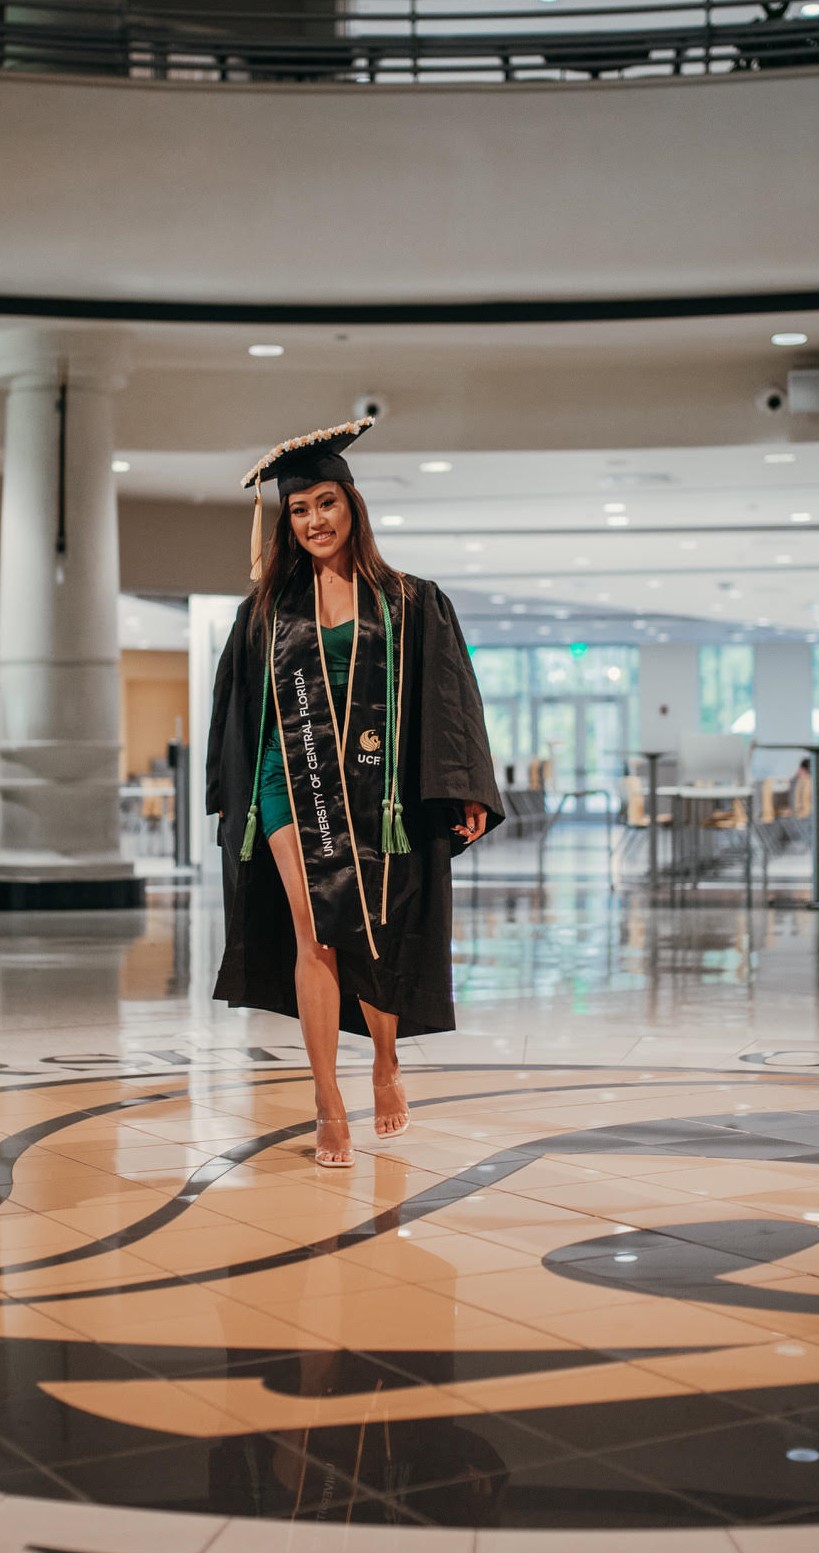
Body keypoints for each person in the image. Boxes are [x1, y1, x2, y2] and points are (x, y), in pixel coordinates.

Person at [206, 416, 502, 1169]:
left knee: (373, 928)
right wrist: (232, 798)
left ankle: (384, 1061)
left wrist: (462, 784)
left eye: (325, 504)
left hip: (380, 792)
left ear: (353, 507)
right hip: (288, 780)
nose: (312, 521)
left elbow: (447, 696)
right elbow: (240, 714)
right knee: (315, 932)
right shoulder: (265, 614)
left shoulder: (409, 601)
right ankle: (327, 1100)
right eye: (299, 510)